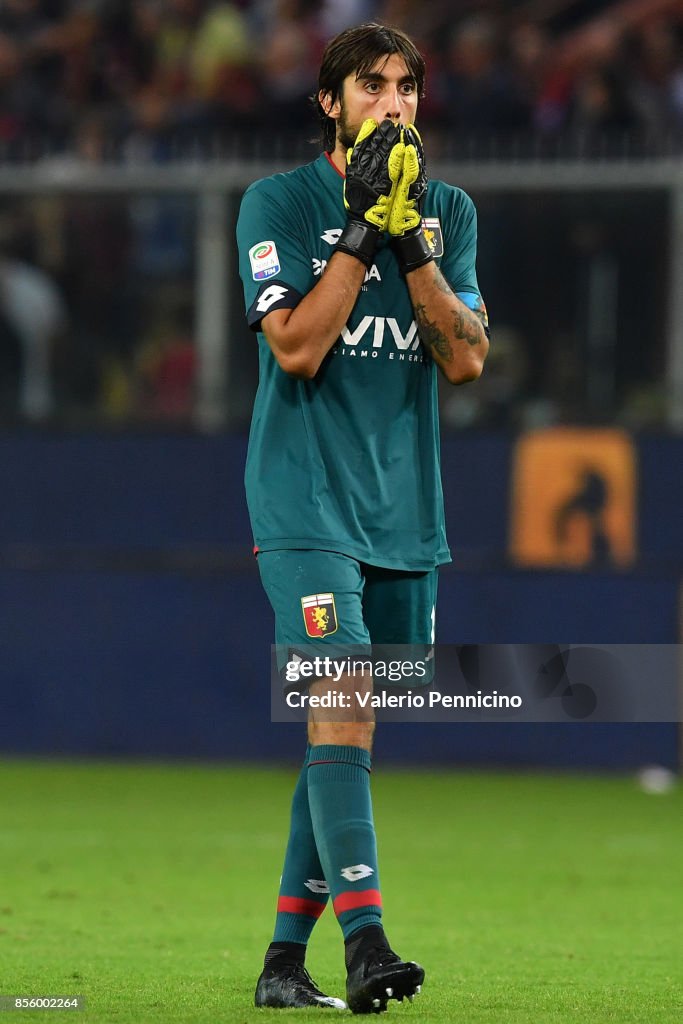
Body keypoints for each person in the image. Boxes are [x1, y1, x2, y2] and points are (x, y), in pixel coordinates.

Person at [236, 22, 489, 1014]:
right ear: (329, 103)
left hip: (400, 510)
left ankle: (280, 960)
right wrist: (353, 228)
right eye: (370, 84)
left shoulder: (450, 213)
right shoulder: (278, 203)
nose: (393, 102)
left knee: (344, 724)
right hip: (301, 500)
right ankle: (366, 938)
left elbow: (464, 358)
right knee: (337, 688)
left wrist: (408, 239)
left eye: (406, 86)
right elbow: (295, 347)